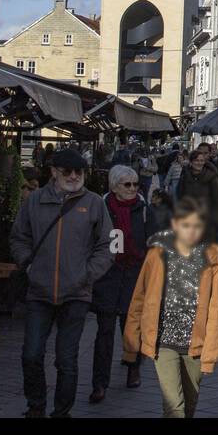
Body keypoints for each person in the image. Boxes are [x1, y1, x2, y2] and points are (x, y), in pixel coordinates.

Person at [9, 147, 113, 418]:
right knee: (31, 354)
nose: (74, 176)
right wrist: (28, 264)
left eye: (79, 171)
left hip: (76, 293)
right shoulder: (35, 201)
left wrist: (87, 274)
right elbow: (18, 237)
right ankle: (36, 405)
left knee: (66, 359)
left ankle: (61, 412)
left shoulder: (93, 203)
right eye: (67, 171)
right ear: (53, 172)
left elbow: (108, 244)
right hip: (39, 291)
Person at [122, 196, 218, 418]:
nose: (192, 232)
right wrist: (131, 342)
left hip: (195, 343)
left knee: (189, 406)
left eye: (197, 226)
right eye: (186, 225)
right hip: (163, 341)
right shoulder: (157, 254)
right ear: (175, 224)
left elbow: (215, 311)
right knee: (174, 407)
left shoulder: (211, 258)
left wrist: (210, 353)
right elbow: (139, 298)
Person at [90, 165, 149, 403]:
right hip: (107, 275)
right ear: (114, 186)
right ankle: (99, 383)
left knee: (131, 328)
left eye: (135, 184)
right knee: (104, 331)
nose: (133, 189)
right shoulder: (102, 209)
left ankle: (133, 367)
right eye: (127, 184)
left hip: (134, 274)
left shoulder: (143, 209)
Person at [176, 147, 218, 242]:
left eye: (201, 160)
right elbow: (180, 195)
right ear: (191, 162)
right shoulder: (185, 176)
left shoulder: (211, 177)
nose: (199, 163)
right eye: (196, 160)